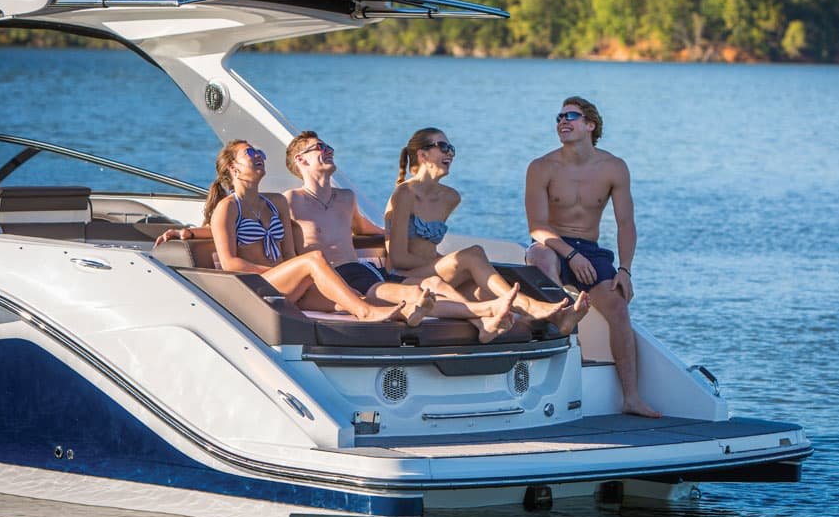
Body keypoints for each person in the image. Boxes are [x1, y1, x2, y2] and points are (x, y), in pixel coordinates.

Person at [156, 140, 433, 325]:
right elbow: (230, 263)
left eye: (260, 153)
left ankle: (405, 312)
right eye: (250, 154)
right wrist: (188, 234)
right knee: (313, 260)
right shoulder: (228, 208)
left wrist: (294, 273)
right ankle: (365, 312)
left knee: (346, 297)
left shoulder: (275, 202)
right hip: (256, 286)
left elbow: (289, 253)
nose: (259, 156)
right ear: (233, 168)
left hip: (287, 284)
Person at [282, 131, 519, 342]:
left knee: (434, 283)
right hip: (335, 277)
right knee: (413, 294)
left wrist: (398, 233)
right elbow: (288, 255)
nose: (329, 151)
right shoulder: (291, 201)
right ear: (301, 159)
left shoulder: (346, 197)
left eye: (329, 147)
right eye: (320, 148)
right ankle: (486, 309)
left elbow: (365, 228)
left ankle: (482, 323)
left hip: (363, 270)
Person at [524, 97, 660, 418]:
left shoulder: (613, 167)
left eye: (571, 116)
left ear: (590, 125)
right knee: (540, 256)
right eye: (559, 117)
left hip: (591, 249)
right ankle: (566, 331)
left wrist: (625, 270)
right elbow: (537, 227)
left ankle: (631, 398)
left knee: (618, 306)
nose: (562, 121)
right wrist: (570, 254)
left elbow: (626, 224)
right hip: (553, 245)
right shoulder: (541, 167)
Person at [385, 127, 589, 336]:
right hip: (404, 277)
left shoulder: (449, 198)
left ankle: (558, 318)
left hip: (432, 271)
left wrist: (453, 265)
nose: (450, 154)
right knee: (473, 254)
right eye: (443, 147)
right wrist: (454, 264)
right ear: (423, 155)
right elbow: (398, 259)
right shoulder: (405, 194)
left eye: (452, 149)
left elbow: (427, 248)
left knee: (485, 292)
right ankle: (530, 306)